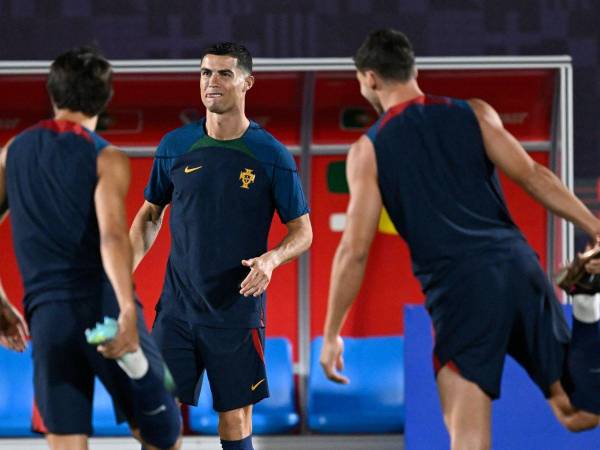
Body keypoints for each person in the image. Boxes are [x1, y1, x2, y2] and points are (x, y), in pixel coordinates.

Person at [319, 28, 600, 450]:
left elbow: (354, 251)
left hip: (462, 290)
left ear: (370, 78)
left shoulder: (369, 149)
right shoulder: (476, 113)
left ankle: (586, 304)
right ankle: (587, 305)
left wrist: (331, 333)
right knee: (578, 412)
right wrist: (595, 227)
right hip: (520, 269)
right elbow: (533, 176)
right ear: (413, 69)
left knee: (468, 442)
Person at [130, 42, 312, 450]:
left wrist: (271, 259)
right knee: (156, 412)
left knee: (233, 418)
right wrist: (118, 274)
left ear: (247, 82)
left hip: (235, 312)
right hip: (176, 310)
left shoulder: (272, 156)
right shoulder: (174, 146)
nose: (212, 82)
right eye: (205, 73)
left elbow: (303, 232)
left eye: (224, 73)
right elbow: (149, 215)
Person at [0, 47, 182, 450]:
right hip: (103, 311)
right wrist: (128, 309)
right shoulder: (107, 157)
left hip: (46, 319)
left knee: (66, 441)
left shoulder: (12, 152)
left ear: (52, 93)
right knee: (163, 432)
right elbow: (113, 236)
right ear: (105, 99)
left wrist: (0, 305)